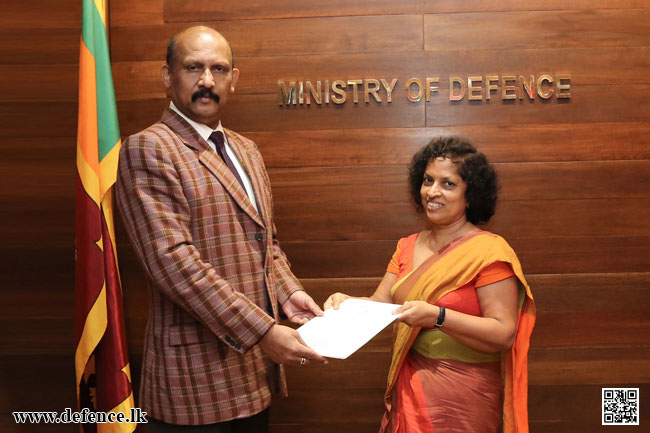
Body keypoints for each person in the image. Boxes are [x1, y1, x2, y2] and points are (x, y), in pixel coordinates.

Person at [115, 26, 326, 432]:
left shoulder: (246, 150)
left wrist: (291, 293)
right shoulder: (148, 148)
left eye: (219, 69)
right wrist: (264, 329)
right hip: (194, 380)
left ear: (234, 79)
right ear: (167, 76)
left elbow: (267, 244)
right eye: (193, 68)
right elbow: (173, 264)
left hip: (253, 373)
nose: (207, 81)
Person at [325, 137, 536, 433]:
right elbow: (382, 304)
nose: (432, 192)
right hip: (409, 386)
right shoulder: (407, 246)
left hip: (465, 397)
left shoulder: (490, 252)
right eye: (427, 181)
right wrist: (347, 303)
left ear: (470, 195)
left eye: (448, 184)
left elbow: (503, 334)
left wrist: (437, 317)